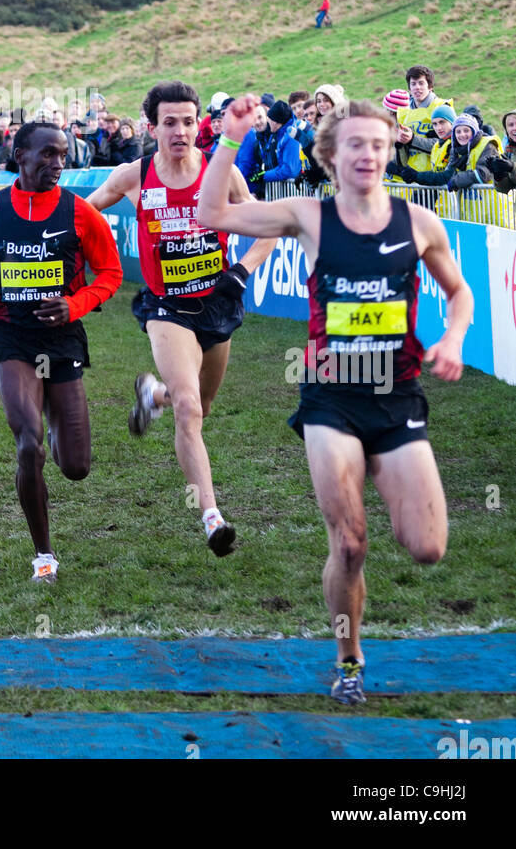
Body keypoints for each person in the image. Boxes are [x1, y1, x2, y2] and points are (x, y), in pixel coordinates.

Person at [198, 95, 472, 706]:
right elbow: (212, 210)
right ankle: (349, 661)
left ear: (391, 147)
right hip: (329, 397)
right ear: (329, 155)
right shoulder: (309, 216)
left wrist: (453, 336)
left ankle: (386, 469)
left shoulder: (419, 223)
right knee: (349, 543)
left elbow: (459, 293)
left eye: (378, 143)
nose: (368, 154)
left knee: (428, 547)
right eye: (355, 144)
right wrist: (230, 137)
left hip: (397, 395)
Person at [0, 121, 123, 583]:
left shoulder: (79, 212)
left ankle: (54, 425)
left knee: (75, 466)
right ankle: (44, 557)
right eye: (48, 154)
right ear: (19, 155)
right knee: (28, 445)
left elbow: (110, 273)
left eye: (63, 155)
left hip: (62, 339)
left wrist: (74, 304)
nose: (58, 164)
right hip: (11, 338)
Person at [87, 81, 274, 559]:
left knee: (200, 406)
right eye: (169, 122)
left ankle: (153, 395)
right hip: (166, 308)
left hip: (216, 304)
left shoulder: (222, 173)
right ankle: (213, 518)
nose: (180, 130)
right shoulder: (134, 175)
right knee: (189, 410)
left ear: (200, 125)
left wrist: (241, 270)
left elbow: (269, 226)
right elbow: (84, 214)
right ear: (152, 127)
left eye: (189, 121)